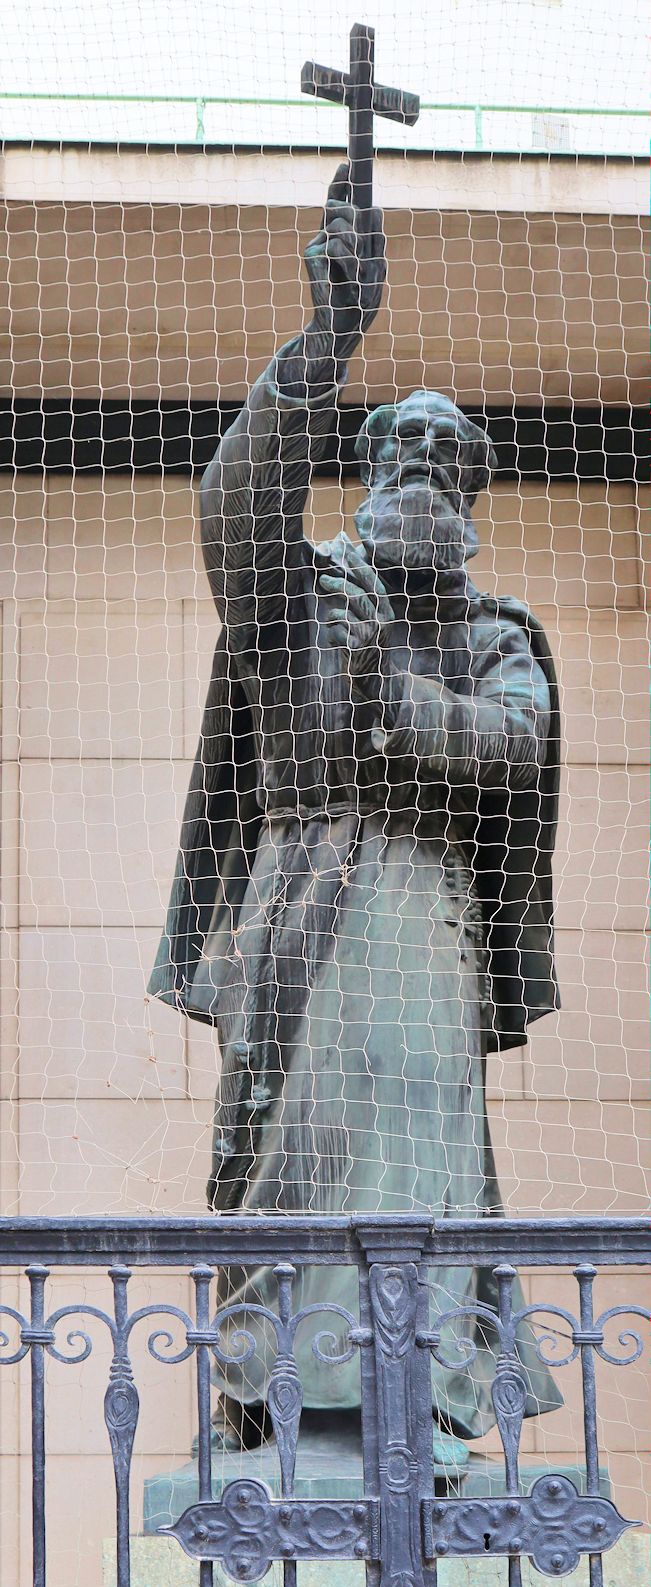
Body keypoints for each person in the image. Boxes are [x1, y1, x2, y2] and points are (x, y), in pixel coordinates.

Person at [150, 163, 562, 1455]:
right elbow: (231, 510)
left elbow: (522, 741)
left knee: (425, 1169)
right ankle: (276, 1407)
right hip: (307, 926)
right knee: (300, 1153)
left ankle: (423, 1420)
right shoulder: (300, 594)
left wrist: (398, 703)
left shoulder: (496, 635)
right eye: (410, 450)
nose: (431, 471)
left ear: (473, 505)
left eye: (456, 462)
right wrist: (325, 345)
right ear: (370, 464)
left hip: (428, 938)